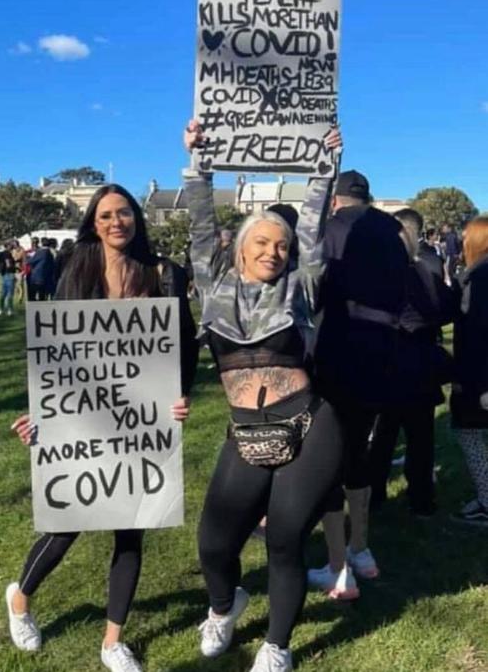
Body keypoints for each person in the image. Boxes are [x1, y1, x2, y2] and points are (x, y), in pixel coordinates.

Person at [6, 184, 198, 672]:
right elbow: (57, 354)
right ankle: (21, 599)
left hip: (143, 419)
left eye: (126, 213)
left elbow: (186, 344)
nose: (118, 222)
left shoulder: (163, 273)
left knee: (132, 530)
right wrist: (41, 413)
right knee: (67, 522)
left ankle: (113, 641)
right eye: (107, 215)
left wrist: (181, 396)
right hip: (83, 413)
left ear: (137, 218)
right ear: (94, 222)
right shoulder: (77, 269)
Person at [184, 119, 343, 672]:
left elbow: (314, 231)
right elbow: (201, 229)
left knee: (285, 541)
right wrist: (200, 162)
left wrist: (324, 167)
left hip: (309, 426)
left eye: (280, 244)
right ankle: (225, 607)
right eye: (261, 242)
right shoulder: (212, 286)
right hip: (245, 430)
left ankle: (277, 645)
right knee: (213, 543)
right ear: (240, 250)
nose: (273, 251)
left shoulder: (301, 285)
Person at [308, 170, 410, 599]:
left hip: (337, 353)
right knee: (360, 451)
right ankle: (361, 549)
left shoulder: (330, 230)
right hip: (382, 352)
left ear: (336, 202)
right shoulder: (395, 232)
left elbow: (313, 288)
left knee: (331, 456)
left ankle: (337, 565)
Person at [368, 208, 455, 516]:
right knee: (419, 437)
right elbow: (445, 309)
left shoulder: (383, 272)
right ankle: (421, 498)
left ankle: (376, 492)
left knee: (386, 434)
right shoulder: (424, 269)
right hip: (417, 361)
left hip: (393, 361)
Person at [450, 216, 488, 524]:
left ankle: (487, 500)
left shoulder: (476, 279)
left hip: (479, 374)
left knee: (469, 433)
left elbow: (476, 333)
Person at [0, 243, 17, 316]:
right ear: (8, 246)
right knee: (10, 293)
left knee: (3, 293)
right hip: (9, 274)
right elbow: (8, 265)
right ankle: (10, 310)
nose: (12, 246)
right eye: (11, 245)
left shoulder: (1, 254)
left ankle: (1, 309)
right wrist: (15, 268)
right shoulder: (7, 254)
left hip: (3, 274)